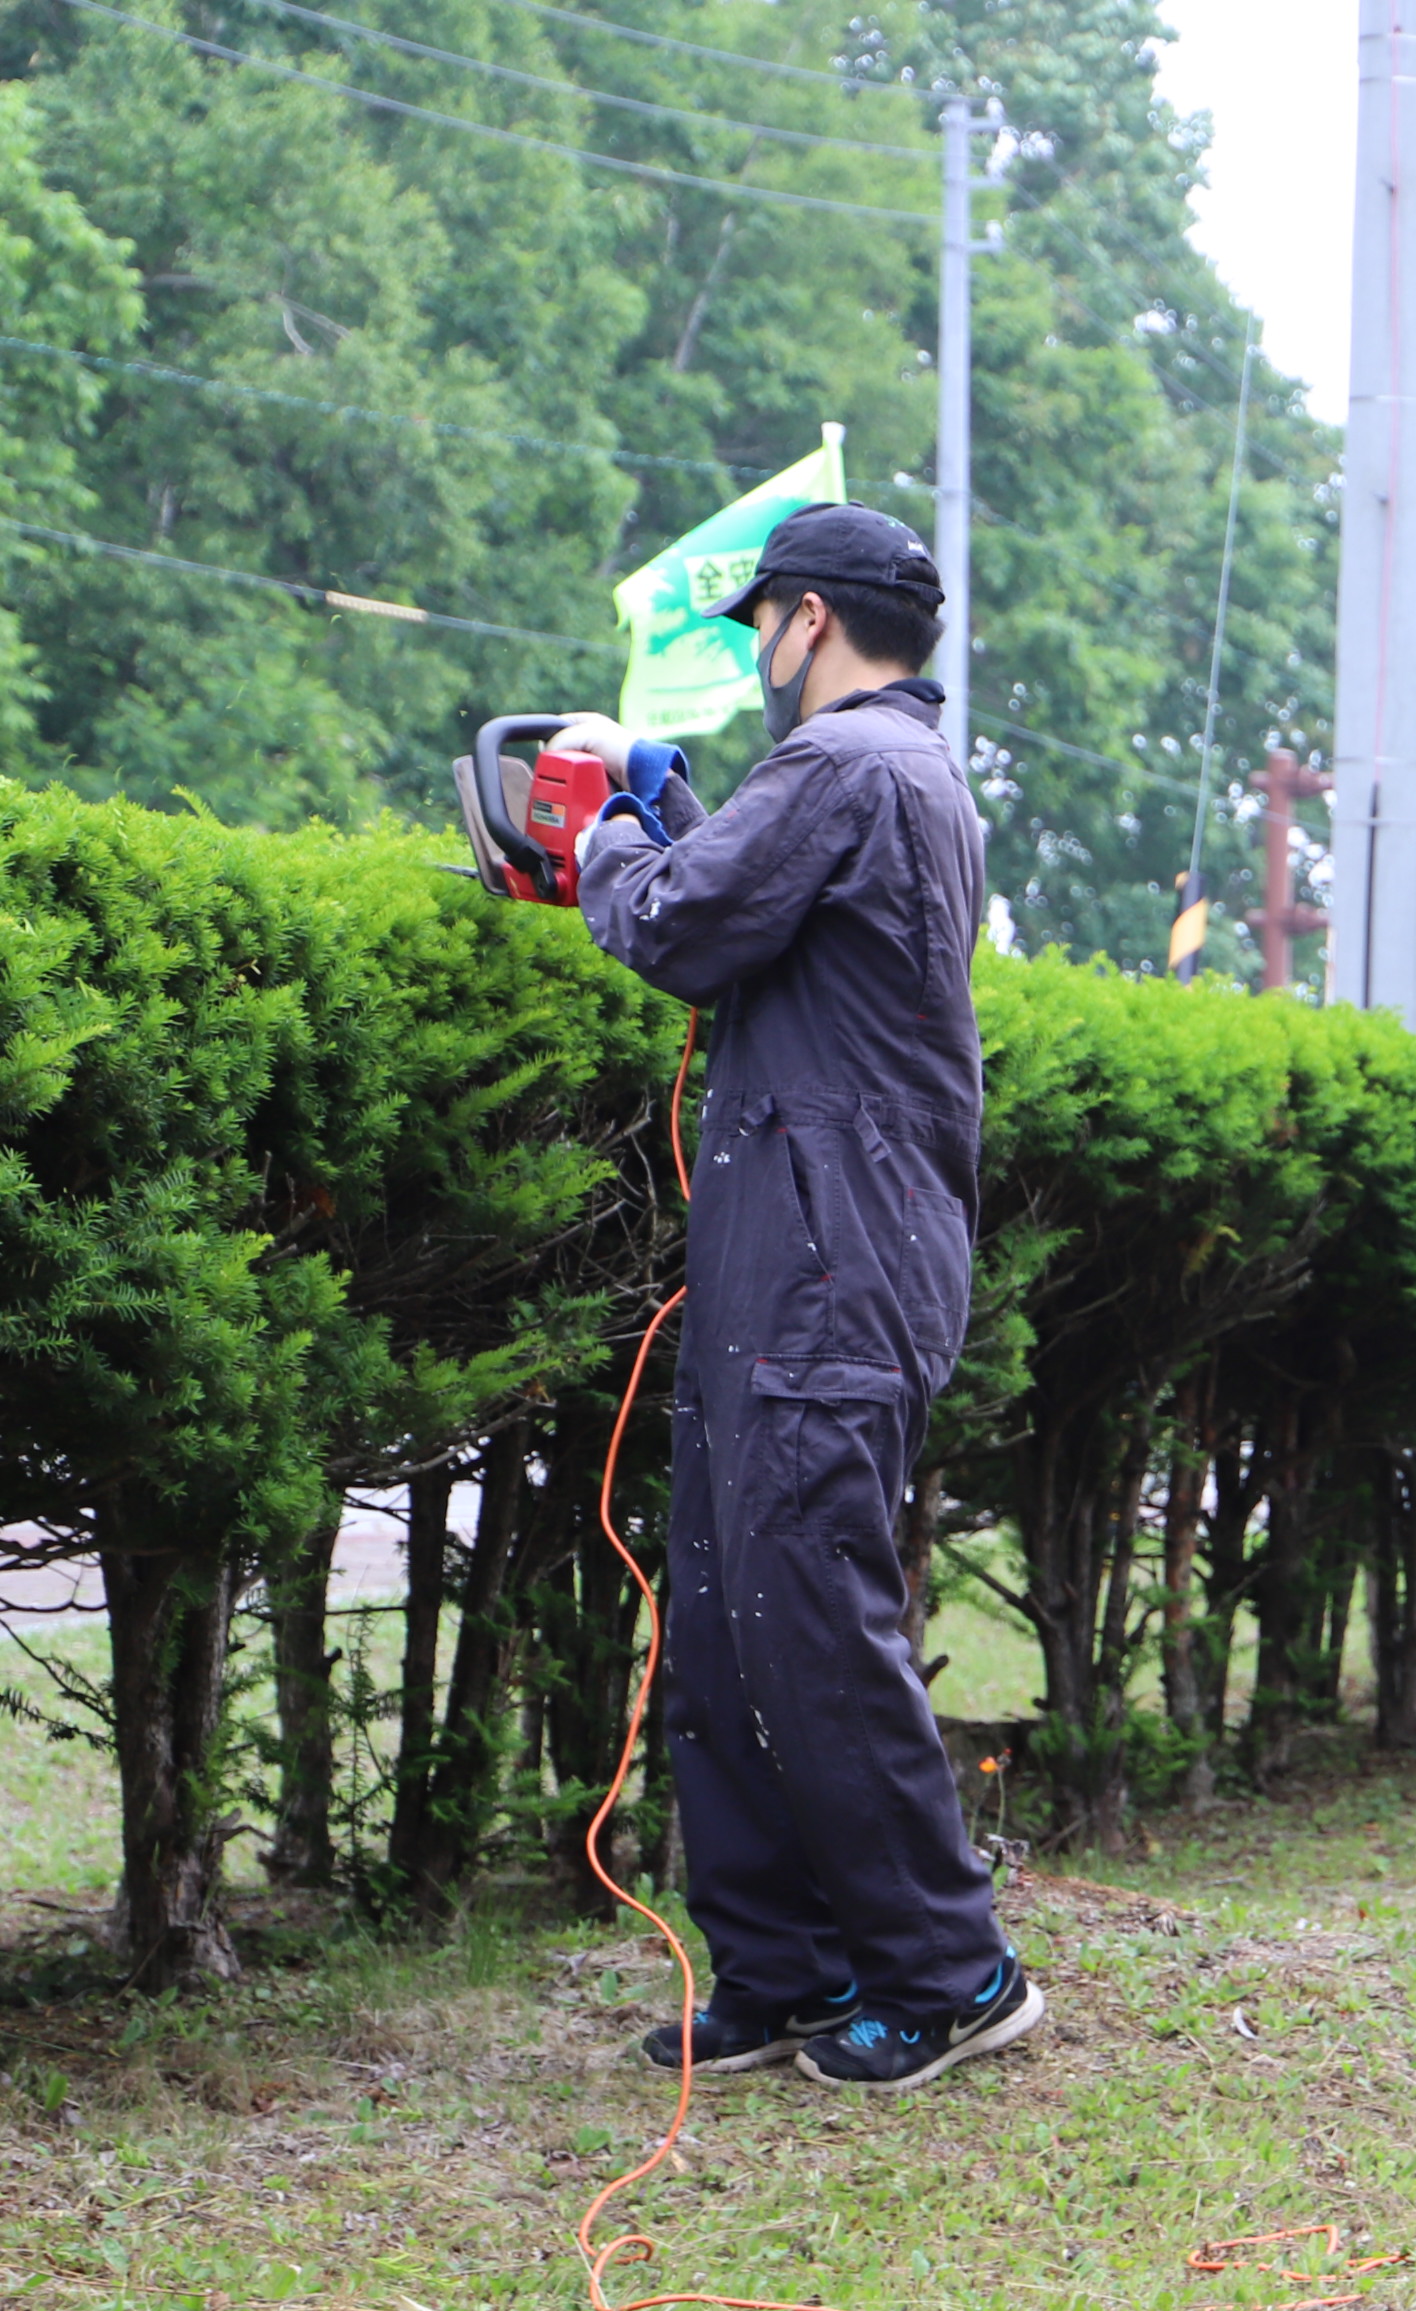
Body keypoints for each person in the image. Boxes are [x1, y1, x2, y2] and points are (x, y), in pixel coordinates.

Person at [549, 502, 1042, 2094]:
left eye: (765, 626)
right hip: (800, 1255)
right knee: (728, 1617)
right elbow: (760, 912)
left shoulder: (846, 765)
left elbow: (684, 926)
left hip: (834, 1264)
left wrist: (601, 835)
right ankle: (782, 1968)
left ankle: (949, 1972)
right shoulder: (888, 775)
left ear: (811, 619)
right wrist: (681, 816)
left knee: (809, 1618)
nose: (759, 654)